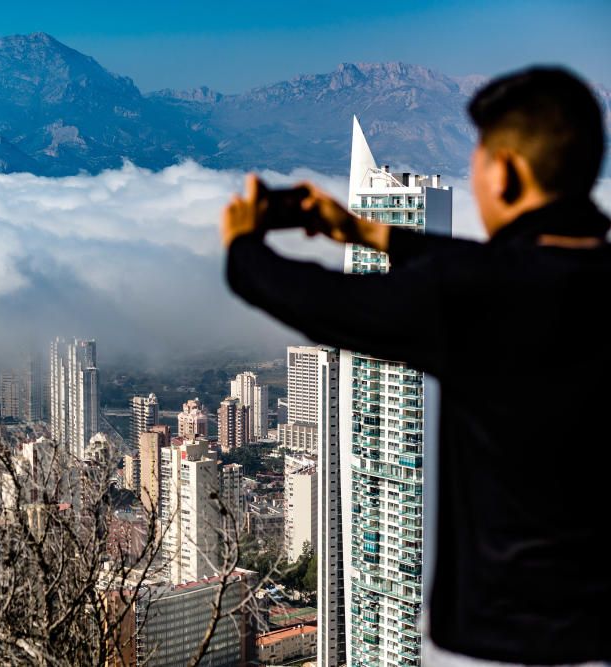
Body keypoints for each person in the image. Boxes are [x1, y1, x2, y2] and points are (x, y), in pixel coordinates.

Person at [222, 66, 610, 665]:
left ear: (505, 171)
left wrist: (243, 247)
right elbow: (493, 270)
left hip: (504, 641)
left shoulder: (480, 299)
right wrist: (365, 233)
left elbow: (315, 300)